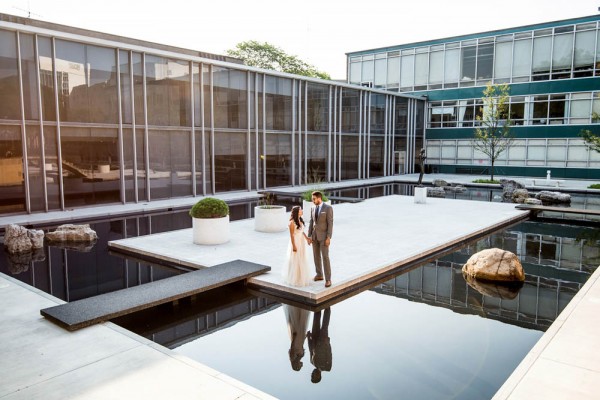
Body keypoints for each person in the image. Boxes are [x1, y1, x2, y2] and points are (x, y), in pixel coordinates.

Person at [307, 191, 333, 287]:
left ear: (319, 198)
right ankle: (319, 274)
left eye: (314, 199)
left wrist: (328, 237)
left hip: (324, 237)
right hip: (314, 236)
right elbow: (311, 222)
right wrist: (309, 236)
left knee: (325, 257)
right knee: (316, 256)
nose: (312, 200)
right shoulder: (313, 208)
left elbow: (330, 224)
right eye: (312, 199)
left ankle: (328, 279)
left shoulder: (328, 208)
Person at [283, 206, 311, 287]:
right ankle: (295, 278)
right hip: (296, 242)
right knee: (296, 259)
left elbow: (302, 231)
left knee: (301, 258)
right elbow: (291, 235)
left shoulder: (300, 220)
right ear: (297, 212)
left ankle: (300, 276)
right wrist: (294, 246)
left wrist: (307, 238)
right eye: (300, 210)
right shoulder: (292, 222)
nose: (302, 211)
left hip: (301, 241)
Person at [307, 307, 332, 383]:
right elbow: (329, 355)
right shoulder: (327, 368)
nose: (312, 374)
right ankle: (328, 304)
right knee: (325, 323)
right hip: (323, 341)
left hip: (314, 338)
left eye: (311, 375)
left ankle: (318, 304)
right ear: (319, 377)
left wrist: (308, 338)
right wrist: (327, 343)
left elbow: (310, 349)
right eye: (313, 376)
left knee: (316, 319)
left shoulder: (312, 362)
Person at [283, 304, 310, 371]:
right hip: (300, 339)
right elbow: (301, 346)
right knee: (301, 317)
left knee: (297, 318)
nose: (301, 365)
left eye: (300, 366)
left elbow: (292, 347)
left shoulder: (292, 358)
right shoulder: (299, 357)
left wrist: (294, 337)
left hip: (297, 338)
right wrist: (305, 336)